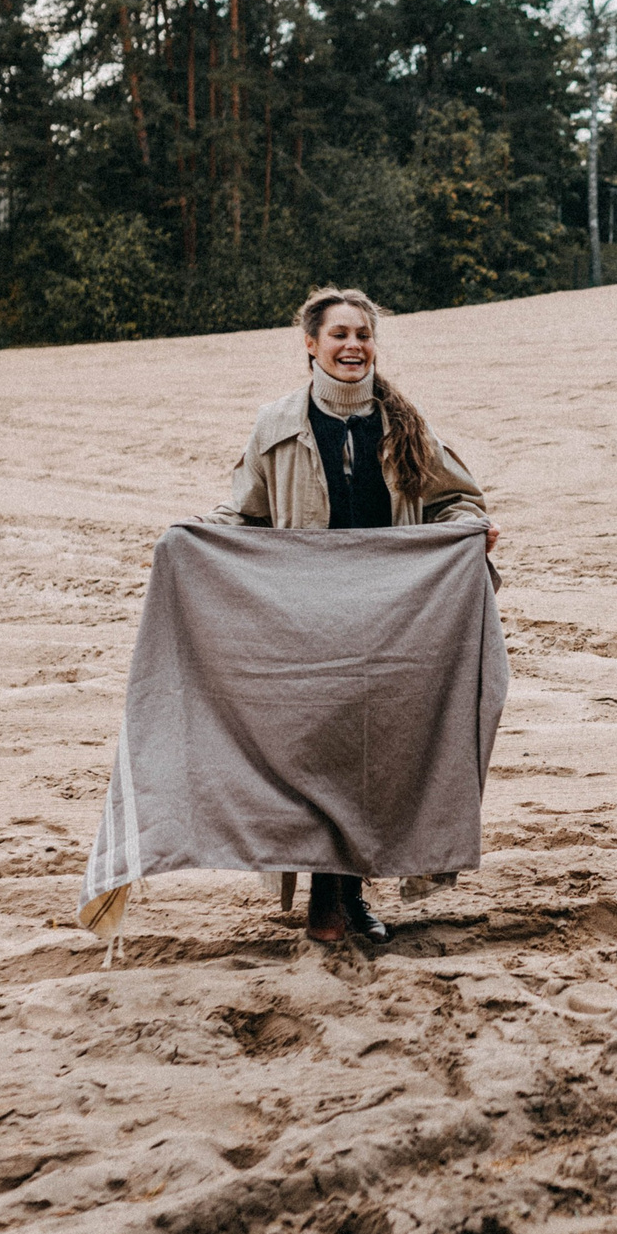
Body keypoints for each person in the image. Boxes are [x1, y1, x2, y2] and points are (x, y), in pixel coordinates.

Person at [201, 287, 498, 946]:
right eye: (338, 334)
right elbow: (242, 514)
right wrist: (192, 545)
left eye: (362, 333)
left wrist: (470, 529)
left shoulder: (403, 426)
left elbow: (456, 500)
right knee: (314, 759)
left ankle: (347, 899)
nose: (353, 345)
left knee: (369, 761)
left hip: (389, 621)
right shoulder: (275, 425)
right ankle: (326, 906)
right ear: (310, 344)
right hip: (303, 621)